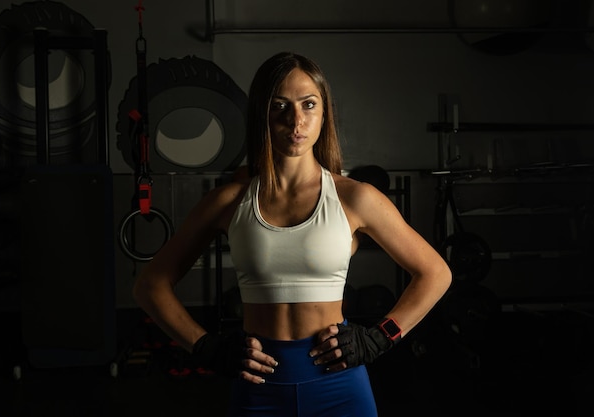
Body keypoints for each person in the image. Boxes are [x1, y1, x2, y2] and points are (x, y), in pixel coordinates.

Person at [133, 51, 452, 416]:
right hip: (258, 388)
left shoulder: (355, 197)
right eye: (279, 106)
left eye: (308, 105)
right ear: (262, 115)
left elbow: (436, 273)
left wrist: (380, 337)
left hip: (339, 383)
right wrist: (206, 347)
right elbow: (150, 285)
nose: (295, 120)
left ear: (323, 114)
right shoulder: (229, 201)